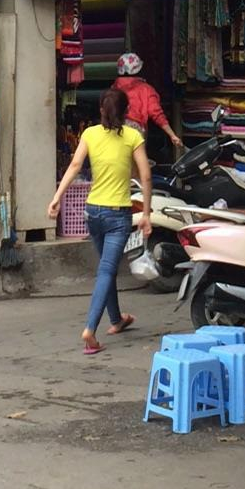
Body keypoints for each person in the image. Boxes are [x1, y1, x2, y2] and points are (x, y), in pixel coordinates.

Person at [48, 88, 152, 355]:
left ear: (101, 111)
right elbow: (145, 176)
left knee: (107, 267)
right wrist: (146, 213)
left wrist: (57, 197)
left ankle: (116, 320)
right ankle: (90, 330)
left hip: (92, 212)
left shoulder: (90, 134)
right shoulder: (133, 136)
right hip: (117, 215)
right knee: (106, 270)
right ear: (126, 111)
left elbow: (74, 166)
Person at [114, 53, 183, 152]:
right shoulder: (146, 89)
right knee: (138, 160)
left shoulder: (114, 88)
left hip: (114, 129)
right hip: (136, 131)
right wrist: (172, 135)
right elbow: (156, 113)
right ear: (139, 70)